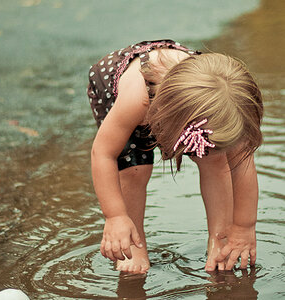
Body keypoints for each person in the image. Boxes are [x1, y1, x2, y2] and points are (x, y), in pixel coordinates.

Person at [87, 40, 263, 274]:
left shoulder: (230, 106)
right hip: (120, 90)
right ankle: (133, 244)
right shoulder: (137, 99)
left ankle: (220, 238)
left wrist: (243, 227)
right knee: (134, 170)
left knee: (216, 161)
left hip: (193, 102)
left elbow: (242, 165)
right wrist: (115, 216)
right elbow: (103, 153)